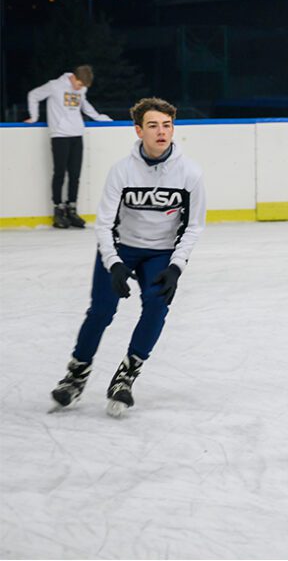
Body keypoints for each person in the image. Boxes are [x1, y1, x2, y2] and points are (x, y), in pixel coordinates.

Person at [49, 97, 206, 417]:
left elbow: (193, 226)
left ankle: (126, 375)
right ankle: (76, 375)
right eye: (153, 126)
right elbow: (104, 224)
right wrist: (115, 263)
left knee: (157, 306)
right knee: (101, 311)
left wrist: (176, 267)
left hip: (160, 253)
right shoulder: (121, 171)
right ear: (138, 130)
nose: (161, 132)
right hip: (121, 248)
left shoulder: (190, 173)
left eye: (167, 125)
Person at [25, 64, 113, 229]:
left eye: (83, 87)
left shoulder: (81, 89)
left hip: (77, 134)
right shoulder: (55, 86)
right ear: (74, 77)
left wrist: (101, 118)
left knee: (75, 174)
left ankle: (72, 208)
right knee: (59, 173)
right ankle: (58, 209)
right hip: (59, 135)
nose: (79, 88)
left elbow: (85, 106)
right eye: (79, 84)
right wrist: (34, 117)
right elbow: (33, 95)